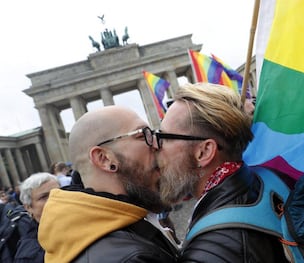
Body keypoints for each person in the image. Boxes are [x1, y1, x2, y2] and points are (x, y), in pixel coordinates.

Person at [154, 83, 288, 262]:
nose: (155, 146)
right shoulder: (264, 180)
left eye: (164, 138)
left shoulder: (211, 253)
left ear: (204, 151)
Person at [38, 105, 178, 262]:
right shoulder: (130, 258)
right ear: (104, 159)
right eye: (142, 135)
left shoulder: (124, 228)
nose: (157, 144)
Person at [13, 172, 60, 262]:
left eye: (58, 192)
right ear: (28, 207)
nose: (55, 198)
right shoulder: (28, 256)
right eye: (44, 197)